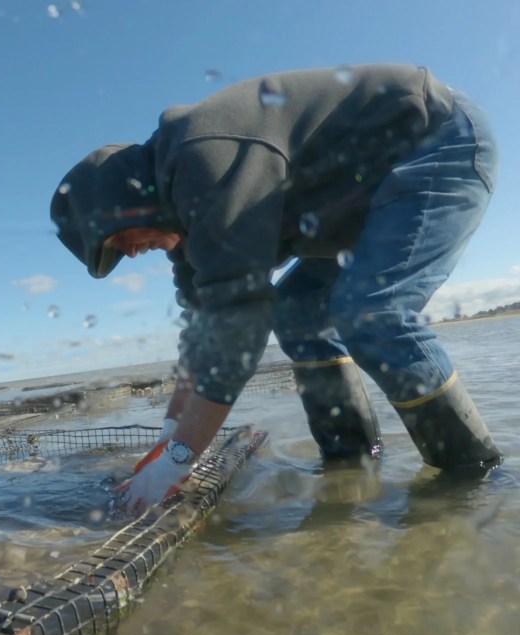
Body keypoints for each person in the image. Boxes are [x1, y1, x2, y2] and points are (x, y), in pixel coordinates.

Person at [49, 63, 502, 514]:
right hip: (357, 202)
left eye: (117, 241)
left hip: (436, 139)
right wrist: (170, 435)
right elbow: (203, 336)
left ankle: (473, 479)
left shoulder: (202, 157)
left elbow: (238, 333)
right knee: (298, 313)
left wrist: (178, 460)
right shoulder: (184, 228)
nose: (130, 255)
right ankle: (351, 464)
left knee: (372, 312)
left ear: (120, 203)